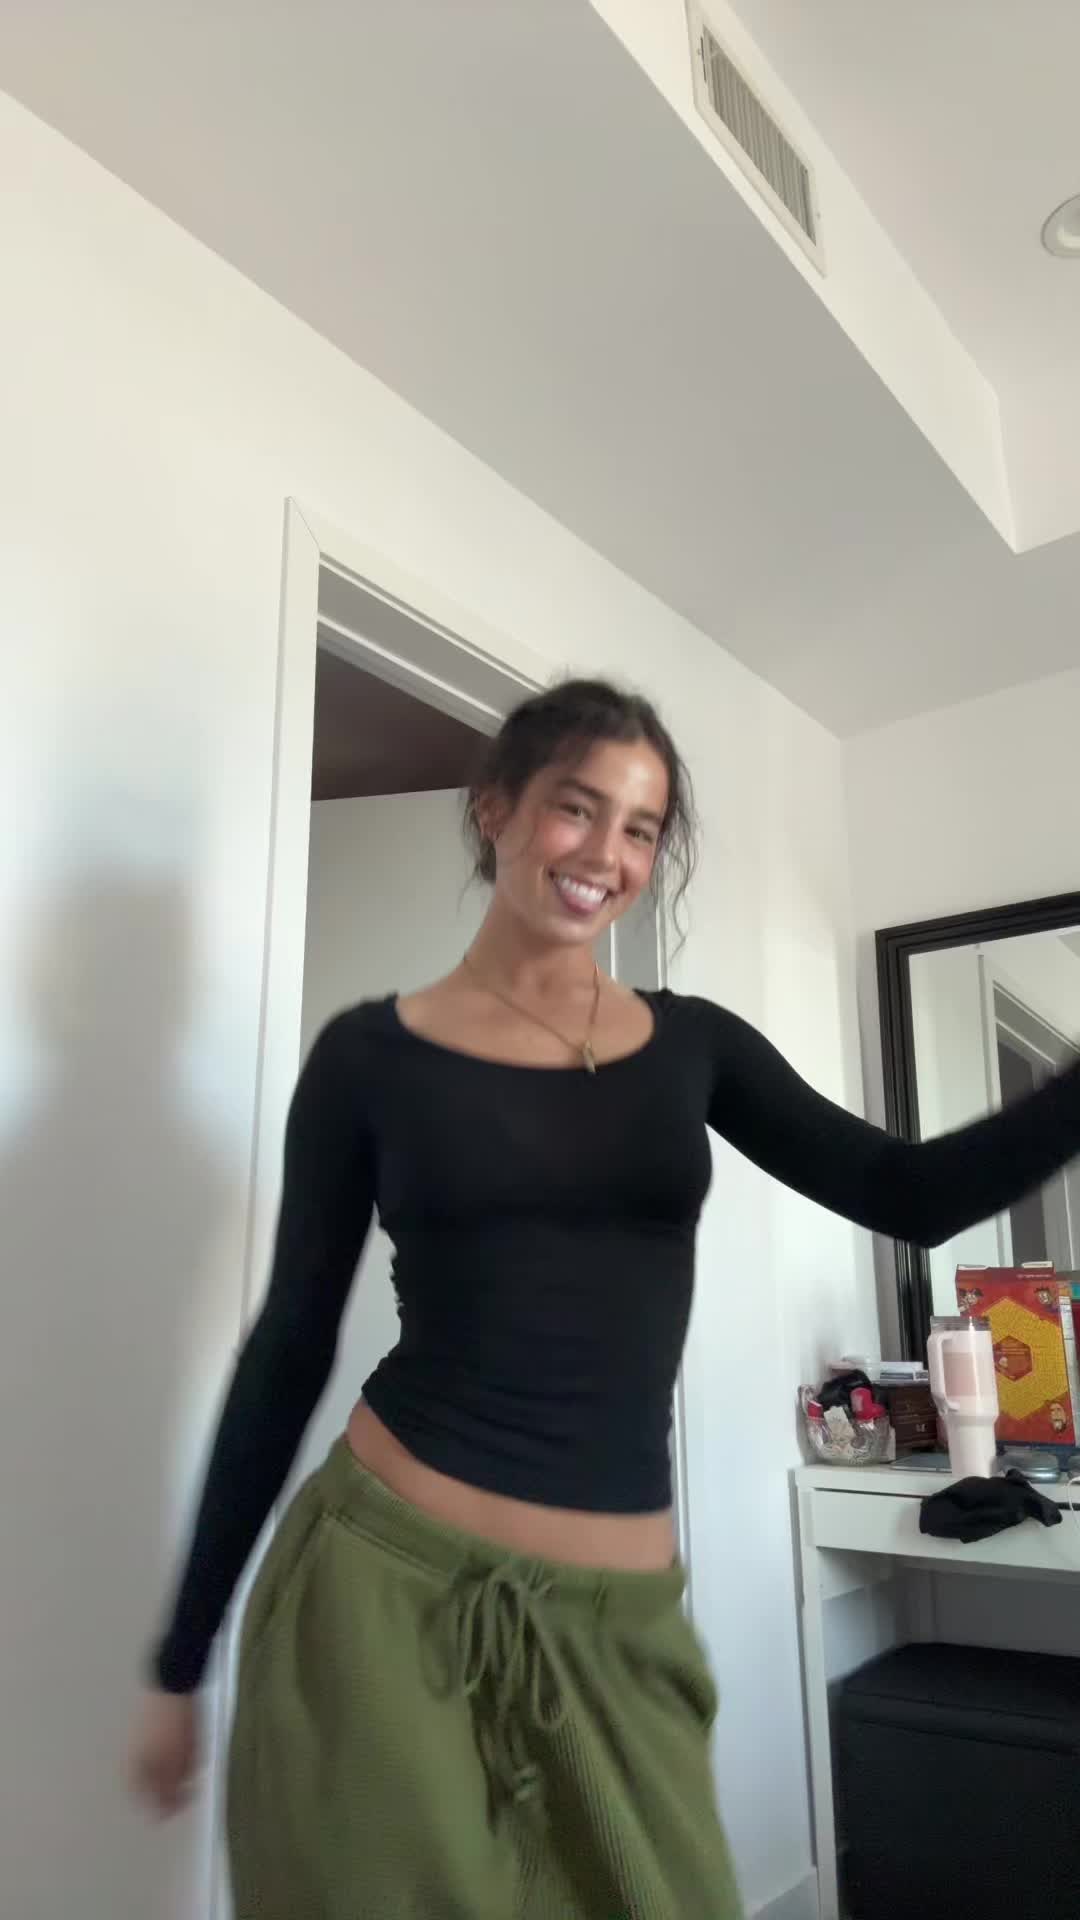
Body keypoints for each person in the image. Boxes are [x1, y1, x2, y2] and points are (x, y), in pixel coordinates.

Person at [130, 679, 1080, 1919]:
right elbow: (289, 1347)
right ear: (495, 808)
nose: (608, 854)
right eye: (578, 808)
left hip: (616, 1623)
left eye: (641, 828)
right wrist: (181, 1656)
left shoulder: (694, 1046)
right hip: (381, 1586)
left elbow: (913, 1193)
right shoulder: (368, 1059)